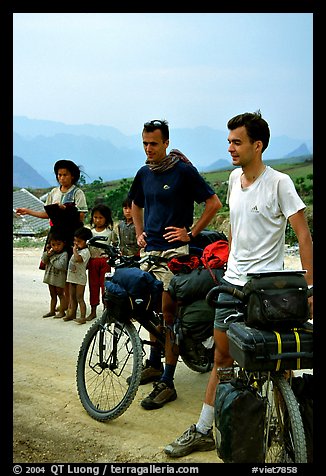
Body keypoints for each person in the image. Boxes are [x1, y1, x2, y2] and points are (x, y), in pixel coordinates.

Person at [164, 110, 313, 458]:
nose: (230, 147)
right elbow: (237, 228)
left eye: (237, 142)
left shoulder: (279, 183)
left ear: (257, 145)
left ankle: (288, 428)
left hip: (269, 290)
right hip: (233, 285)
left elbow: (304, 238)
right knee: (223, 359)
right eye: (229, 141)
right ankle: (204, 428)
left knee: (280, 362)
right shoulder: (233, 179)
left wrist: (310, 288)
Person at [128, 119, 222, 410]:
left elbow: (214, 203)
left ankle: (167, 381)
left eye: (153, 143)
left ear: (166, 142)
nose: (148, 148)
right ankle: (155, 364)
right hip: (151, 251)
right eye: (144, 143)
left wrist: (191, 232)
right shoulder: (144, 173)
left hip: (176, 253)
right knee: (150, 306)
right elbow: (135, 203)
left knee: (168, 314)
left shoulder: (183, 172)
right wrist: (138, 232)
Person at [16, 159, 88, 312]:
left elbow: (81, 217)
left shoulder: (77, 193)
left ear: (72, 176)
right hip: (55, 235)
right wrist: (28, 211)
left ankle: (70, 306)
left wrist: (66, 211)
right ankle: (61, 305)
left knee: (68, 270)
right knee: (56, 269)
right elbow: (46, 214)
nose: (61, 178)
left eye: (65, 175)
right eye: (59, 175)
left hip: (70, 235)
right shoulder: (54, 193)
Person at [86, 204, 119, 321]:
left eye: (100, 217)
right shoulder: (90, 233)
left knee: (105, 287)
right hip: (93, 261)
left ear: (106, 218)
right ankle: (93, 310)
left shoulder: (110, 233)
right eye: (95, 217)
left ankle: (106, 312)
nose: (97, 220)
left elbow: (115, 245)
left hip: (105, 262)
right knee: (93, 285)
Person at [64, 226, 93, 325]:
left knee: (79, 297)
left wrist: (74, 251)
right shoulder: (78, 250)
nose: (76, 243)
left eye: (79, 241)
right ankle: (72, 313)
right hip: (72, 276)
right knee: (72, 296)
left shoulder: (85, 252)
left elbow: (78, 259)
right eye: (75, 241)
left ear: (86, 242)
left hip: (80, 278)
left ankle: (82, 317)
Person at [41, 230, 69, 319]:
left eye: (58, 244)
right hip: (50, 277)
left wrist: (52, 257)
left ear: (63, 244)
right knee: (52, 295)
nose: (56, 247)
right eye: (53, 245)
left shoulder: (64, 254)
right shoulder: (50, 253)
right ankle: (52, 311)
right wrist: (47, 254)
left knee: (60, 294)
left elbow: (60, 266)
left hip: (59, 278)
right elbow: (44, 260)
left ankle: (62, 311)